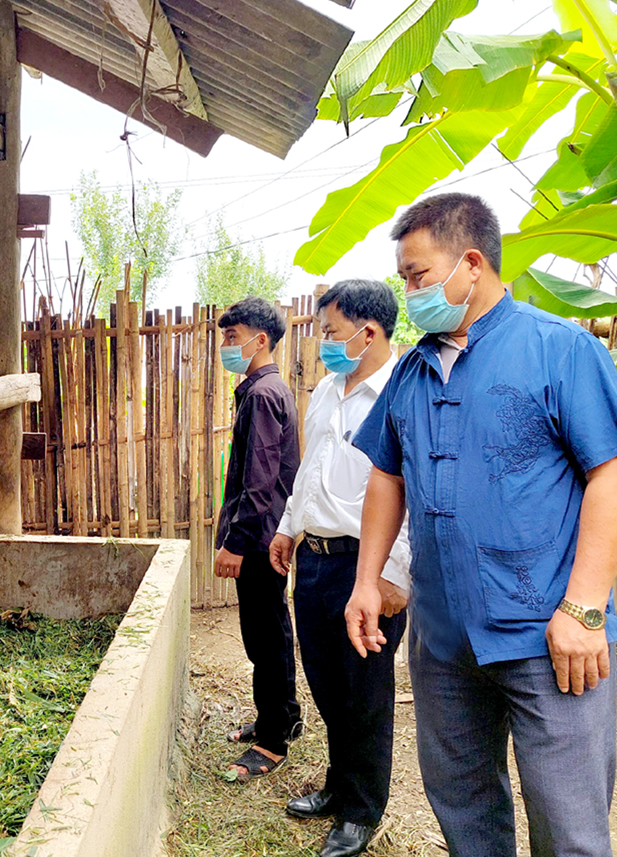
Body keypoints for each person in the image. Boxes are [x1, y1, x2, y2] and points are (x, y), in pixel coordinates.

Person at [346, 193, 617, 857]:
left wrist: (586, 607)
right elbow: (387, 475)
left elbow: (616, 476)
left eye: (417, 275)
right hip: (445, 642)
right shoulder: (412, 371)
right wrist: (368, 579)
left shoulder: (557, 349)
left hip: (551, 638)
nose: (408, 290)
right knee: (464, 809)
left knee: (568, 830)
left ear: (470, 264)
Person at [268, 280, 410, 857]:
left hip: (366, 566)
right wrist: (287, 525)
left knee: (365, 692)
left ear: (367, 331)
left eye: (330, 332)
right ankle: (336, 784)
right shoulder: (326, 390)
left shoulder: (403, 392)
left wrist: (391, 574)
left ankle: (360, 811)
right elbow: (310, 468)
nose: (323, 342)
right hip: (317, 560)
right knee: (326, 681)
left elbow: (414, 491)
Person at [213, 296, 302, 780]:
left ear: (260, 339)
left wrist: (236, 542)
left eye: (233, 337)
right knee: (272, 632)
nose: (226, 346)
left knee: (265, 639)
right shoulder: (262, 390)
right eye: (225, 337)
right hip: (267, 536)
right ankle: (283, 718)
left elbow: (259, 481)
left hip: (261, 540)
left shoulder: (264, 395)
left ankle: (271, 743)